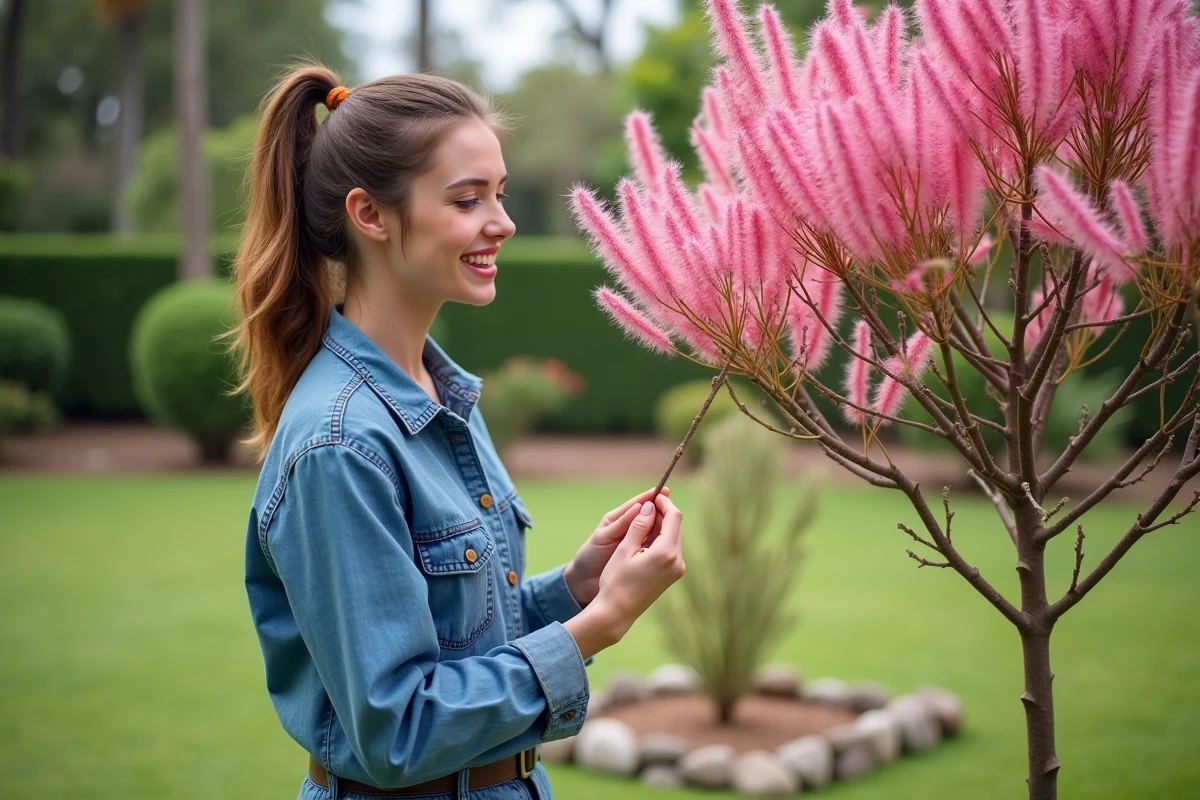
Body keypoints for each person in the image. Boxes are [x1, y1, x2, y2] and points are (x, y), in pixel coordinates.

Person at [230, 63, 687, 800]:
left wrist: (578, 586)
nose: (502, 222)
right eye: (468, 198)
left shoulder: (439, 395)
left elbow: (465, 640)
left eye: (498, 194)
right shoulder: (341, 444)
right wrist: (604, 623)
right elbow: (398, 729)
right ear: (370, 215)